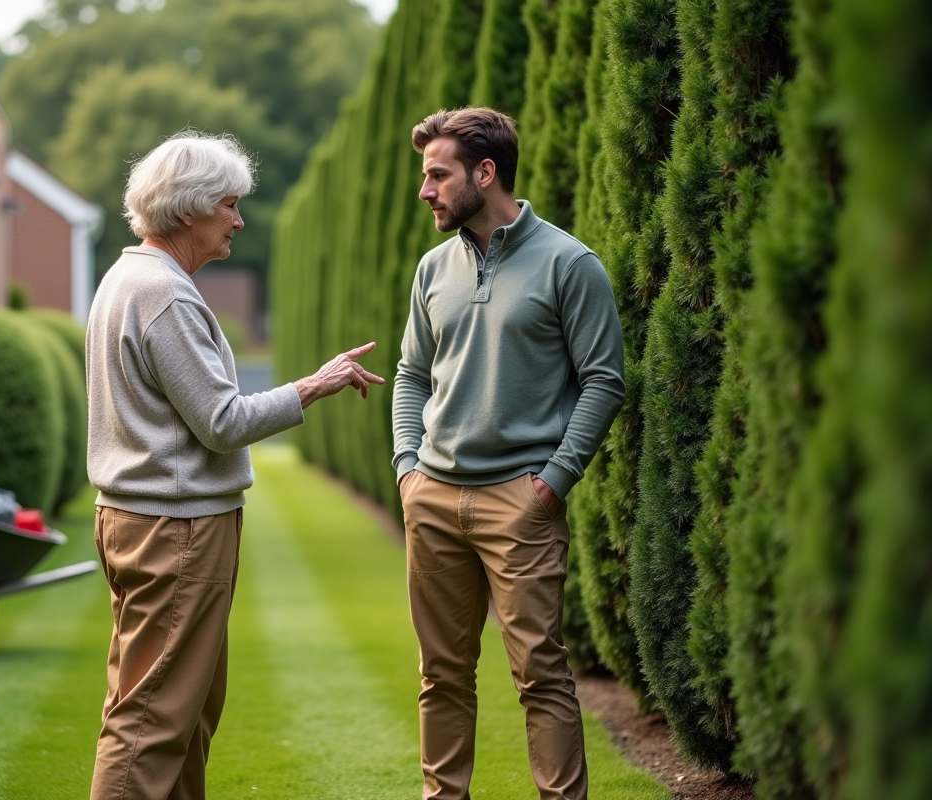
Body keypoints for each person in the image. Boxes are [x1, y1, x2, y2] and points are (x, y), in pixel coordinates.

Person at [86, 130, 384, 800]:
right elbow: (221, 424)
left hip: (150, 519)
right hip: (175, 528)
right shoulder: (163, 293)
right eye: (229, 205)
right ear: (188, 209)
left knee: (184, 711)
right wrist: (314, 386)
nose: (239, 220)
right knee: (153, 718)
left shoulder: (129, 278)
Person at [392, 107, 625, 800]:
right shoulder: (434, 268)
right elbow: (410, 373)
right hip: (433, 497)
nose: (426, 190)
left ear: (485, 173)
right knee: (442, 675)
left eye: (438, 175)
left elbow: (605, 379)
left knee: (541, 677)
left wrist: (554, 481)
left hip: (518, 503)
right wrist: (408, 468)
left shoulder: (569, 264)